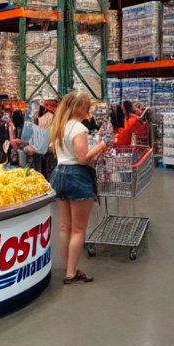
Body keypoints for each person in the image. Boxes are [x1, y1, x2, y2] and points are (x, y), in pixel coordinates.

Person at [49, 91, 108, 284]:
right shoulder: (78, 128)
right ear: (80, 107)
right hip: (77, 177)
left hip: (59, 175)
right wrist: (101, 146)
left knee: (65, 227)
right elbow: (82, 158)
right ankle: (71, 274)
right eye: (87, 107)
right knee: (78, 229)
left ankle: (69, 268)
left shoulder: (61, 126)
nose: (89, 110)